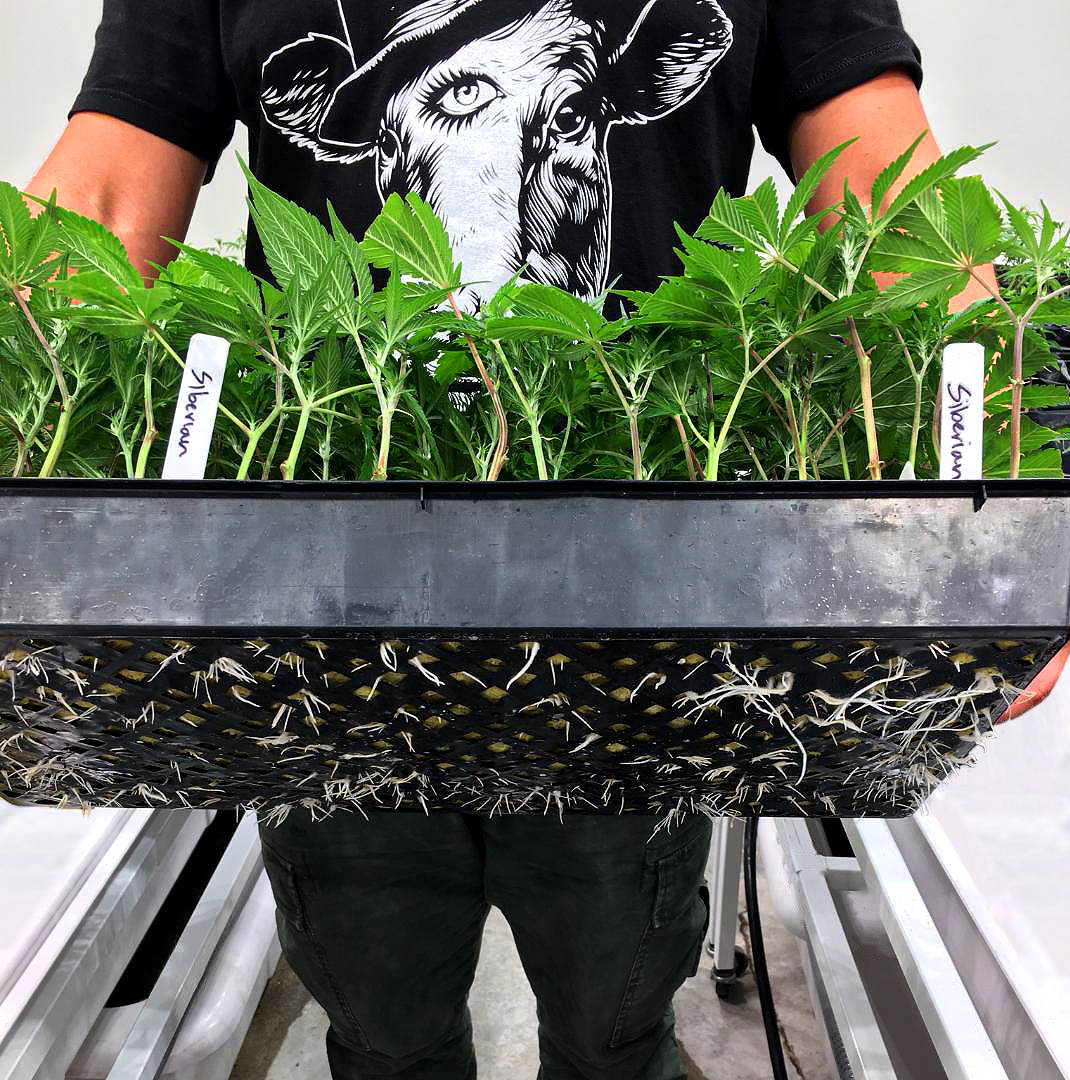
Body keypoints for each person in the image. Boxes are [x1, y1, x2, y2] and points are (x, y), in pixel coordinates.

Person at [25, 2, 1070, 1077]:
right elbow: (101, 200)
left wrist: (1005, 527)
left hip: (640, 615)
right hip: (325, 619)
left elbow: (891, 200)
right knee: (379, 1017)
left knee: (615, 1009)